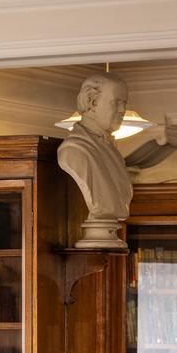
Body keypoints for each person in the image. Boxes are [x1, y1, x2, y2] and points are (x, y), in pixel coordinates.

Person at [57, 72, 133, 250]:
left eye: (125, 103)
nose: (122, 110)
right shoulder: (74, 151)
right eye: (116, 102)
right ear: (92, 102)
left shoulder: (111, 151)